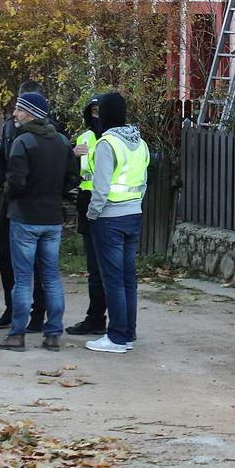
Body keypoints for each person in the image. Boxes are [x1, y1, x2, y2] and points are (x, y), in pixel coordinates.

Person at [0, 91, 77, 352]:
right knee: (51, 278)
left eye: (19, 109)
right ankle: (53, 334)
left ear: (30, 113)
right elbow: (71, 179)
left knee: (22, 279)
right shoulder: (63, 142)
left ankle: (16, 335)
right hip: (52, 219)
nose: (15, 114)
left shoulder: (23, 142)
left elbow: (16, 183)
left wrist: (8, 193)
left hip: (24, 219)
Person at [85, 91, 150, 354]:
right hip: (133, 214)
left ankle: (116, 338)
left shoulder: (106, 144)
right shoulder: (139, 143)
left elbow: (100, 189)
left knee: (112, 280)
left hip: (109, 218)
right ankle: (128, 334)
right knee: (128, 280)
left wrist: (92, 214)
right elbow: (144, 182)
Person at [0, 81, 49, 330]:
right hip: (10, 202)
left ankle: (38, 314)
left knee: (37, 262)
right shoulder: (8, 127)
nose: (17, 112)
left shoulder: (48, 131)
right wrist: (0, 181)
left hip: (35, 204)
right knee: (6, 257)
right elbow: (0, 159)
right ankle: (12, 307)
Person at [67, 95, 108, 337]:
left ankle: (111, 321)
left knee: (108, 269)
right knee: (94, 268)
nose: (97, 116)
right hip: (87, 204)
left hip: (109, 206)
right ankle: (96, 318)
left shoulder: (115, 139)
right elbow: (73, 173)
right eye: (92, 112)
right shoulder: (83, 138)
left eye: (100, 111)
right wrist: (71, 154)